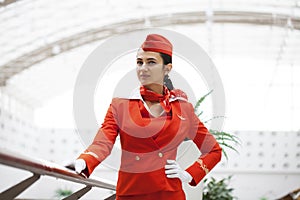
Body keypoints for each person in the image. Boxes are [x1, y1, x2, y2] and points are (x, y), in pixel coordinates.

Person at [73, 34, 222, 200]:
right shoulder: (120, 106)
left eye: (151, 62)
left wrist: (188, 174)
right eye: (139, 62)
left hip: (170, 194)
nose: (143, 68)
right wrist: (86, 160)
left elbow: (213, 150)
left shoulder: (183, 110)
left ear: (167, 68)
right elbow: (103, 142)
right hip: (131, 193)